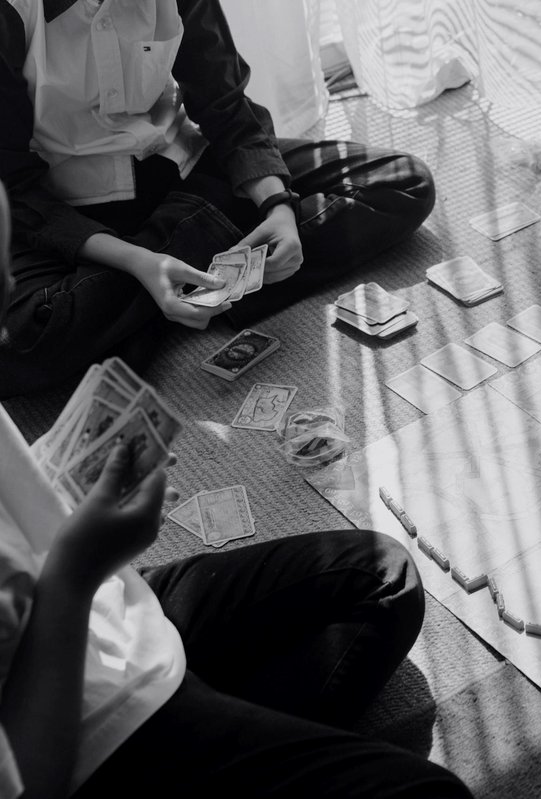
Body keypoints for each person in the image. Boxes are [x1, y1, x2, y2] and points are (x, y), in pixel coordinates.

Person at [0, 184, 471, 797]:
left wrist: (51, 490)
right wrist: (76, 571)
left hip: (111, 614)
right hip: (80, 730)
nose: (9, 289)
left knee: (383, 576)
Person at [0, 0, 435, 398]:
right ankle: (193, 264)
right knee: (19, 344)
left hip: (190, 168)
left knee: (402, 182)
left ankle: (155, 305)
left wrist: (277, 206)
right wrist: (137, 261)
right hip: (69, 210)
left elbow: (225, 103)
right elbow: (14, 186)